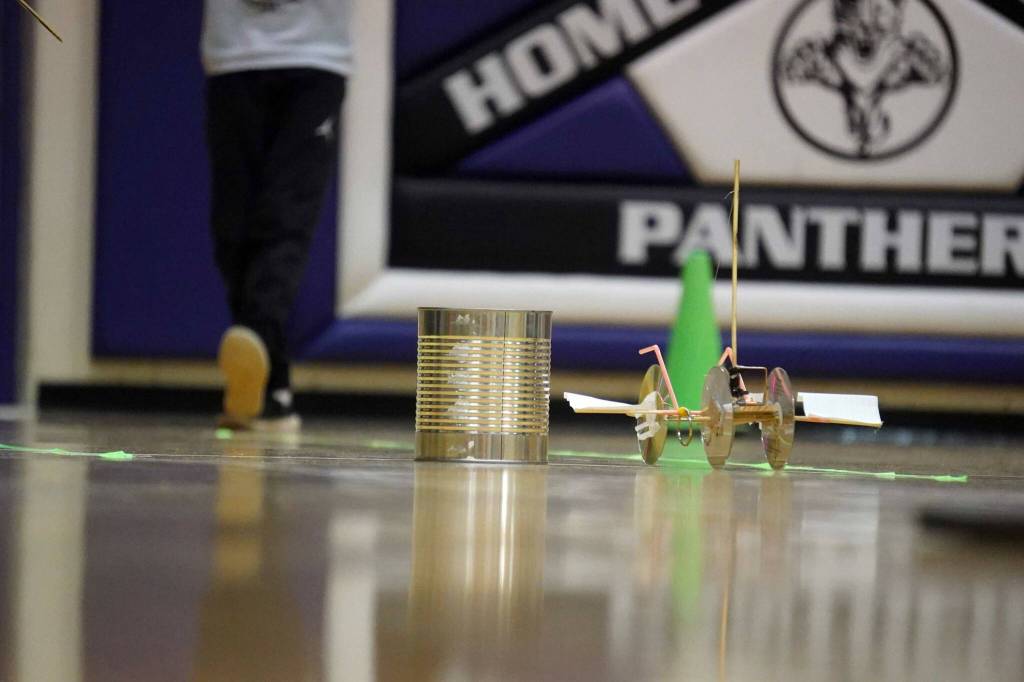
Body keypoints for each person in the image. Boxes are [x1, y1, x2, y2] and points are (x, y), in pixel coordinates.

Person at [202, 0, 351, 430]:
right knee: (232, 229)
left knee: (286, 215)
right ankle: (271, 390)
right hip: (234, 56)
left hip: (314, 55)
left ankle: (265, 373)